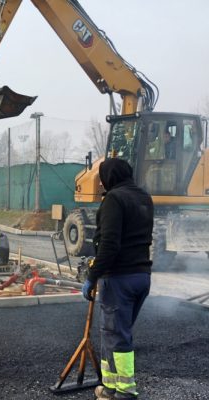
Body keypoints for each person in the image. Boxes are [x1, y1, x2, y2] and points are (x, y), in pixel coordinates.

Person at [81, 158, 153, 400]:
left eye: (102, 177)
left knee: (117, 335)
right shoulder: (143, 196)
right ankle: (109, 386)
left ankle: (125, 391)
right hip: (141, 277)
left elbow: (109, 245)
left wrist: (92, 276)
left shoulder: (114, 199)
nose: (100, 182)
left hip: (119, 279)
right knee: (115, 332)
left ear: (110, 177)